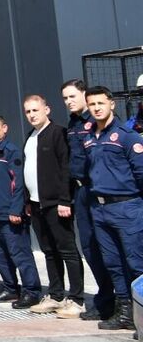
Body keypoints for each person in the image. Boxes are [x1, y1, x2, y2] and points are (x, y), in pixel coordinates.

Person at [83, 86, 143, 331]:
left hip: (127, 207)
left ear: (111, 104)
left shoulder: (127, 137)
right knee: (113, 263)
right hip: (100, 209)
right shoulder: (89, 138)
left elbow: (141, 173)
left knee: (137, 264)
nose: (97, 108)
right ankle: (126, 313)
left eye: (101, 103)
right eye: (92, 104)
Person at [20, 94, 84, 316]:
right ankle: (56, 295)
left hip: (56, 204)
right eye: (28, 111)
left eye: (35, 110)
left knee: (68, 250)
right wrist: (28, 201)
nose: (31, 115)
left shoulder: (58, 133)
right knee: (49, 251)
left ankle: (77, 299)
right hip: (37, 204)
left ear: (46, 110)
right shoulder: (30, 136)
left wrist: (65, 200)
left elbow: (65, 168)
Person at [0, 113, 40, 309]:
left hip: (9, 215)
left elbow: (19, 183)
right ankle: (10, 288)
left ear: (4, 129)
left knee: (19, 254)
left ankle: (32, 291)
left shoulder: (11, 152)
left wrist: (16, 209)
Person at [64, 79, 113, 323]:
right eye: (65, 98)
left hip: (98, 190)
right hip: (80, 191)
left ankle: (117, 301)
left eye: (72, 96)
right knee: (90, 248)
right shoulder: (73, 123)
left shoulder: (96, 122)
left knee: (108, 248)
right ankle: (105, 299)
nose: (68, 101)